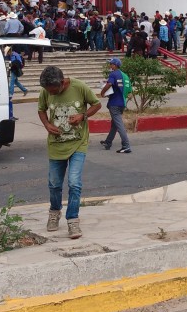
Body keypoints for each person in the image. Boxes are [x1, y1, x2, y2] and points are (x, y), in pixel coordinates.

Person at [37, 66, 101, 239]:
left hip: (78, 143)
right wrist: (47, 125)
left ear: (62, 82)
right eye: (49, 92)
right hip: (56, 145)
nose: (51, 94)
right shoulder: (46, 91)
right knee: (54, 184)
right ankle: (54, 212)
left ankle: (72, 220)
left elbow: (97, 104)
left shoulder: (79, 87)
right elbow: (41, 110)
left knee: (74, 183)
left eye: (54, 91)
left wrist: (83, 116)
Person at [99, 58, 132, 153]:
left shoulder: (113, 74)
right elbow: (129, 92)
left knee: (119, 125)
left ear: (115, 65)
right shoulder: (125, 76)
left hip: (114, 103)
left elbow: (109, 84)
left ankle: (126, 146)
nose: (110, 65)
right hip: (122, 103)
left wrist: (103, 92)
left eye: (111, 64)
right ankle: (108, 142)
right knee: (115, 124)